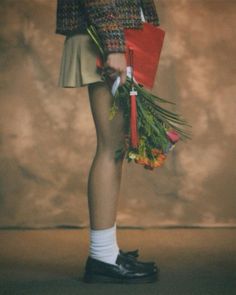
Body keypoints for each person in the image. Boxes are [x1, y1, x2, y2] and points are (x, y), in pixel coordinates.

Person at [55, 0, 161, 284]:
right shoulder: (110, 41)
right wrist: (114, 45)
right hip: (105, 37)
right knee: (110, 147)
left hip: (117, 33)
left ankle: (107, 251)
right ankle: (102, 256)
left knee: (116, 147)